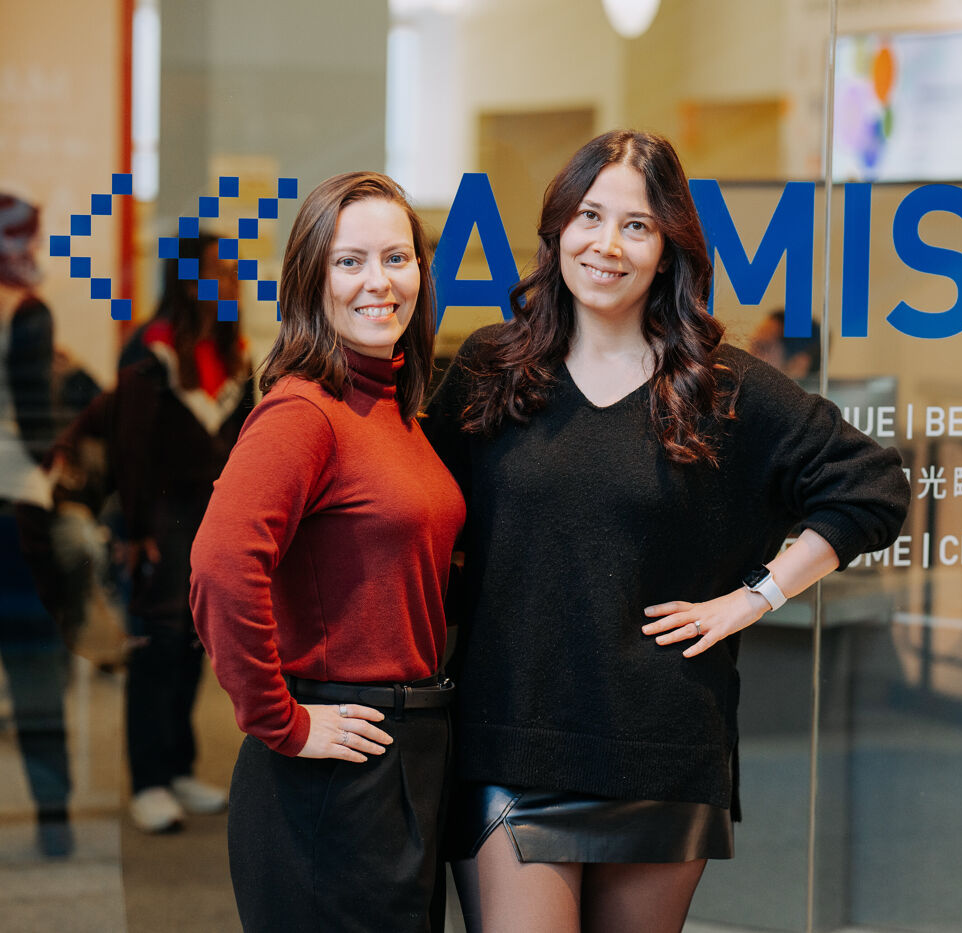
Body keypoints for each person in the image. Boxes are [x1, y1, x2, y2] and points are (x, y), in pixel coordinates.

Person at [424, 130, 910, 933]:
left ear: (668, 248)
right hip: (510, 743)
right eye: (589, 216)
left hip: (664, 747)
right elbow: (415, 514)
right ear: (558, 230)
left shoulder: (719, 389)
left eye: (637, 226)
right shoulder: (492, 370)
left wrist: (755, 596)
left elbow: (873, 484)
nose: (607, 245)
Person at [189, 172, 464, 931]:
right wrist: (283, 720)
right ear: (311, 281)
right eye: (350, 262)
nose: (379, 282)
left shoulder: (394, 405)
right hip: (334, 764)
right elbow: (219, 566)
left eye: (397, 258)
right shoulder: (304, 410)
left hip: (409, 752)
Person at [106, 231, 253, 833]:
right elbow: (129, 444)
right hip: (158, 520)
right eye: (220, 269)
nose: (231, 280)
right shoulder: (151, 346)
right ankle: (149, 780)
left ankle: (180, 766)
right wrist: (135, 527)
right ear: (189, 278)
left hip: (211, 519)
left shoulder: (232, 349)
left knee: (196, 643)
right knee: (157, 646)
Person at [0, 193, 74, 858]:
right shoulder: (26, 310)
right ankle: (53, 817)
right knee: (32, 671)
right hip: (13, 512)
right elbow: (35, 422)